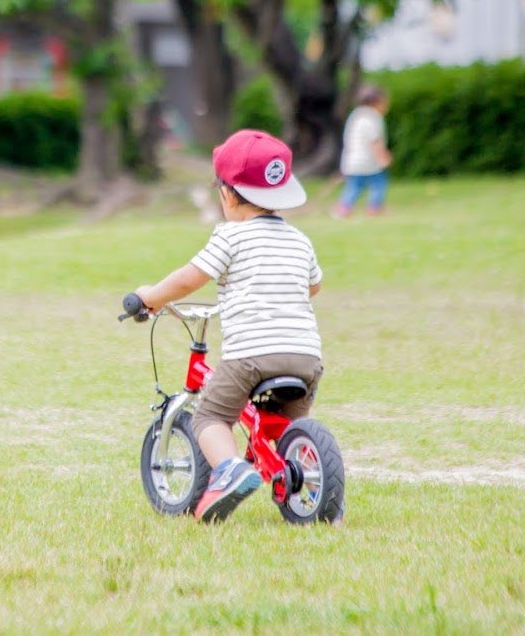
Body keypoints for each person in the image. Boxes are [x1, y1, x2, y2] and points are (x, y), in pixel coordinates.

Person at [133, 129, 324, 523]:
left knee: (210, 419)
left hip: (251, 357)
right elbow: (314, 285)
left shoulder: (230, 236)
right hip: (305, 356)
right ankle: (308, 481)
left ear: (228, 194)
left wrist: (150, 296)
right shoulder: (299, 240)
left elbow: (190, 278)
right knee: (288, 427)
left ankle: (229, 470)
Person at [333, 84, 393, 218]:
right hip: (368, 161)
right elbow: (375, 141)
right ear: (377, 102)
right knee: (379, 183)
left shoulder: (355, 116)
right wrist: (383, 157)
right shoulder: (372, 117)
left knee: (354, 187)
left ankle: (343, 208)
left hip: (351, 161)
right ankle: (374, 207)